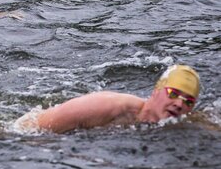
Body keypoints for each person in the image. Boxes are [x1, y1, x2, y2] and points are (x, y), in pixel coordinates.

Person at [17, 64, 202, 133]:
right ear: (156, 92)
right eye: (173, 93)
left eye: (188, 101)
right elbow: (34, 127)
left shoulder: (182, 124)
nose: (179, 104)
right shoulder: (108, 106)